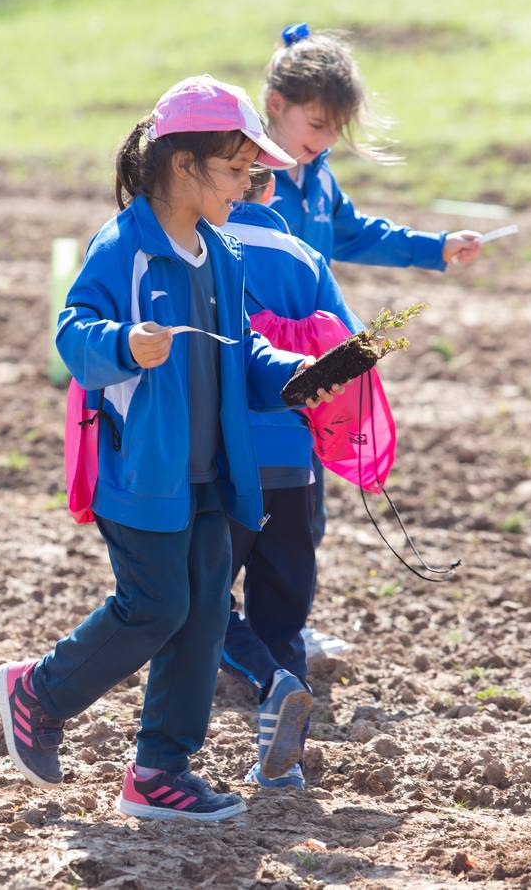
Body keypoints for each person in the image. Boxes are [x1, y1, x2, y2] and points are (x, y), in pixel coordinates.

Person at [0, 75, 340, 822]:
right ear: (185, 165)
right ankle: (38, 691)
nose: (250, 183)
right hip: (142, 473)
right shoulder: (124, 247)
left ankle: (159, 770)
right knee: (154, 607)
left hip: (212, 473)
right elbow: (73, 334)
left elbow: (242, 349)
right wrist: (123, 342)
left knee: (206, 611)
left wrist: (293, 375)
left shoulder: (219, 252)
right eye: (238, 167)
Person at [260, 23, 483, 656]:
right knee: (248, 505)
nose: (326, 141)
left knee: (306, 503)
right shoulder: (243, 175)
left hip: (317, 363)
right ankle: (230, 635)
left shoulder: (319, 178)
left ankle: (284, 631)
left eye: (335, 131)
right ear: (276, 105)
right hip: (255, 364)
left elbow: (358, 234)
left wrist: (434, 247)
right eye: (317, 125)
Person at [218, 168, 363, 789]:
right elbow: (351, 351)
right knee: (283, 616)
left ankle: (266, 682)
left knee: (194, 598)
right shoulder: (305, 257)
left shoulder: (203, 248)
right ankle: (284, 767)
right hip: (293, 468)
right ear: (272, 190)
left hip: (221, 462)